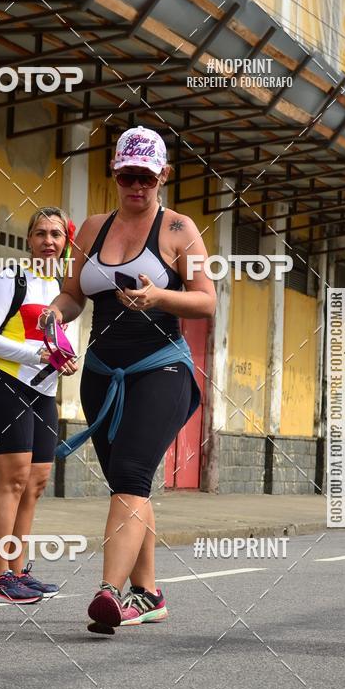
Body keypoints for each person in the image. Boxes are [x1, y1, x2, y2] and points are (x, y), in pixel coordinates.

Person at [40, 126, 216, 634]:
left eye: (146, 177)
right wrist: (56, 311)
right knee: (128, 485)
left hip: (160, 368)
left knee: (133, 476)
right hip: (100, 374)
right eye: (126, 176)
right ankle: (149, 594)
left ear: (163, 175)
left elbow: (206, 299)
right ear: (114, 175)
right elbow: (74, 293)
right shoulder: (93, 228)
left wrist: (160, 297)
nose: (136, 186)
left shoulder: (181, 230)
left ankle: (108, 593)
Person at [0, 207, 78, 604]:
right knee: (12, 480)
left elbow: (58, 342)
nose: (48, 241)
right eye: (40, 233)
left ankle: (18, 572)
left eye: (55, 234)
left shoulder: (66, 292)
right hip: (6, 385)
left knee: (34, 485)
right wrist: (36, 357)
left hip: (44, 393)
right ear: (29, 240)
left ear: (65, 242)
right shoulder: (13, 279)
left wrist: (65, 360)